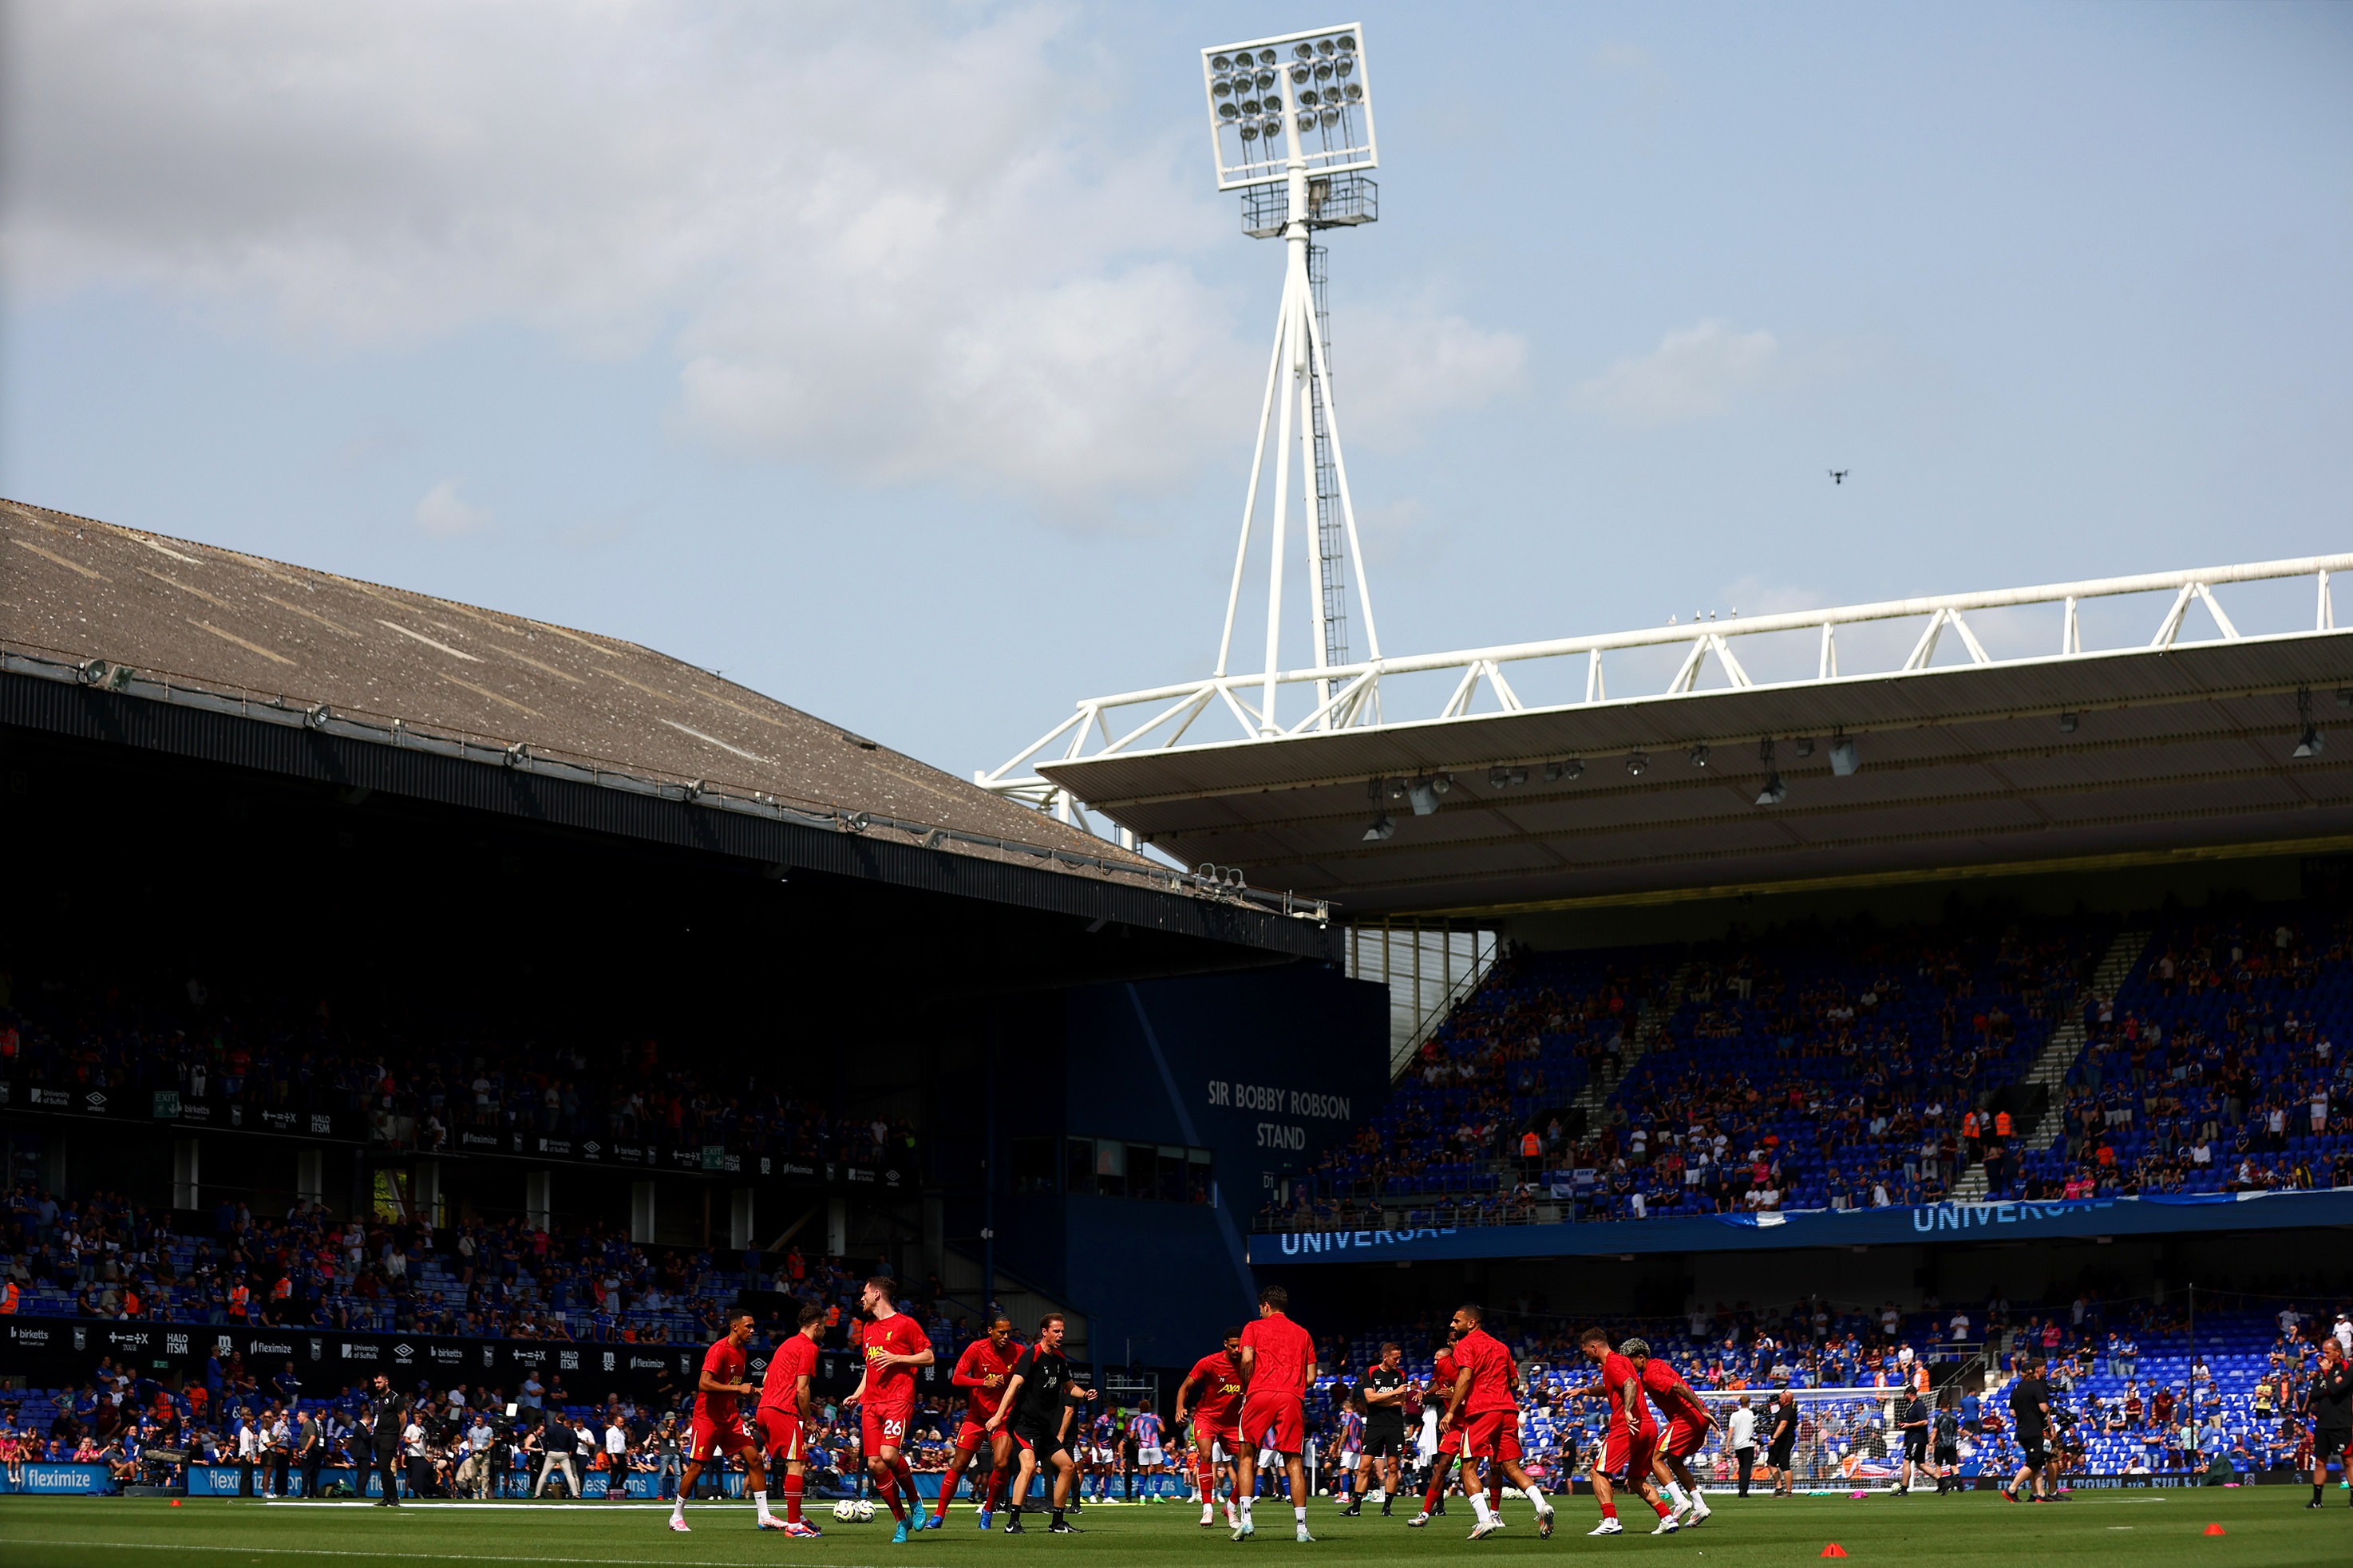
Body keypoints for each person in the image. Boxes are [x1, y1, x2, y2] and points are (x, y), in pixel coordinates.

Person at [1445, 1303, 1556, 1540]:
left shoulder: (1465, 1345)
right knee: (1512, 1468)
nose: (1452, 1324)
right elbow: (1515, 1383)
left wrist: (1451, 1411)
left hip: (1482, 1411)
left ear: (1471, 1323)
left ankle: (1484, 1520)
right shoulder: (1501, 1347)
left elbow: (1465, 1377)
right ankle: (1542, 1506)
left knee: (1468, 1466)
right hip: (1507, 1410)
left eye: (1457, 1321)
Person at [841, 1274, 935, 1544]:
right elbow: (870, 1369)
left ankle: (915, 1500)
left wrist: (898, 1358)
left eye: (865, 1293)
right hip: (871, 1403)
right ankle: (900, 1521)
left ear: (877, 1295)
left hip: (898, 1398)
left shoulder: (906, 1325)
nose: (862, 1298)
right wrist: (857, 1395)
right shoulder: (868, 1328)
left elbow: (929, 1357)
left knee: (889, 1454)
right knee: (875, 1463)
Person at [670, 1309, 779, 1532]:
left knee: (755, 1459)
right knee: (697, 1467)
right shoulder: (718, 1350)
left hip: (730, 1418)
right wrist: (738, 1387)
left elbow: (730, 1387)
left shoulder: (742, 1353)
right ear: (735, 1327)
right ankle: (676, 1516)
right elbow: (704, 1384)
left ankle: (764, 1516)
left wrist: (748, 1391)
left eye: (753, 1326)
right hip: (707, 1417)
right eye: (748, 1326)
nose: (752, 1330)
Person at [987, 1310, 1086, 1534]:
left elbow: (1071, 1389)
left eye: (1063, 1331)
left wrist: (1085, 1394)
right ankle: (1013, 1522)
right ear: (1045, 1332)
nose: (1061, 1335)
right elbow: (1013, 1387)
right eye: (1056, 1331)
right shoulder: (1031, 1356)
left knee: (1068, 1466)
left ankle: (1057, 1522)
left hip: (1043, 1428)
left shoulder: (1060, 1360)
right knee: (1029, 1466)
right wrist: (998, 1416)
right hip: (1023, 1423)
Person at [1232, 1284, 1318, 1543]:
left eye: (1261, 1308)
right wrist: (1290, 1387)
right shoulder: (1303, 1334)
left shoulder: (1253, 1327)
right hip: (1291, 1397)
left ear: (1266, 1306)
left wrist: (1249, 1388)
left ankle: (1246, 1520)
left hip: (1259, 1394)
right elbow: (1312, 1377)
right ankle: (1301, 1529)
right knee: (1293, 1462)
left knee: (1247, 1456)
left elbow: (1246, 1359)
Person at [1576, 1328, 1675, 1536]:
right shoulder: (1622, 1362)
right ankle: (1667, 1518)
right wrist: (1583, 1391)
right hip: (1648, 1426)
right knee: (1636, 1480)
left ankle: (1610, 1520)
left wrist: (1628, 1410)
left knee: (1597, 1472)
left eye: (1586, 1351)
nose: (1586, 1356)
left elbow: (1629, 1384)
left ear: (1595, 1347)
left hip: (1627, 1425)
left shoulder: (1612, 1363)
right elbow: (1612, 1387)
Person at [931, 1313, 1022, 1530]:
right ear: (990, 1331)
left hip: (1003, 1417)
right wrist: (984, 1382)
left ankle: (988, 1512)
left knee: (1000, 1464)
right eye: (1001, 1332)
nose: (1006, 1336)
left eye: (1009, 1332)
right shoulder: (976, 1349)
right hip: (976, 1417)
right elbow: (957, 1377)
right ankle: (939, 1514)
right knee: (959, 1465)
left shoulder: (1018, 1351)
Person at [757, 1302, 827, 1537]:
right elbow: (802, 1390)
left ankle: (799, 1518)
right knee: (796, 1465)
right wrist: (808, 1420)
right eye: (824, 1327)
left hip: (765, 1410)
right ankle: (794, 1526)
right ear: (816, 1326)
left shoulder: (786, 1344)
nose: (824, 1332)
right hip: (783, 1411)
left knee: (796, 1464)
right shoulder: (808, 1348)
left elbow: (767, 1379)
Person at [1628, 1339, 1714, 1526]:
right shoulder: (1657, 1364)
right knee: (1674, 1461)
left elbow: (1678, 1387)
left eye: (1630, 1360)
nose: (1629, 1365)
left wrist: (1701, 1409)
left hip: (1687, 1418)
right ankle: (1700, 1506)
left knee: (1652, 1458)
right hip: (1697, 1419)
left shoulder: (1650, 1374)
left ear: (1641, 1358)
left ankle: (1679, 1501)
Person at [1175, 1326, 1245, 1530]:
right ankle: (1207, 1508)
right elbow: (1184, 1387)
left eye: (1240, 1346)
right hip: (1207, 1418)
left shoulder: (1248, 1364)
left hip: (1233, 1423)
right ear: (1225, 1344)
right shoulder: (1209, 1363)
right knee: (1205, 1455)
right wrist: (1180, 1407)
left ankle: (1231, 1507)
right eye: (1233, 1346)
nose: (1237, 1350)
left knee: (1247, 1466)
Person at [1409, 1325, 1473, 1527]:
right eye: (1454, 1341)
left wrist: (1453, 1397)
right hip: (1451, 1425)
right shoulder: (1444, 1365)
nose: (1457, 1344)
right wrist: (1427, 1393)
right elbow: (1438, 1384)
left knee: (1486, 1468)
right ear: (1449, 1343)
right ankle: (1426, 1513)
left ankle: (1492, 1513)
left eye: (1460, 1341)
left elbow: (1476, 1396)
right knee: (1441, 1466)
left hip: (1473, 1423)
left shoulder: (1472, 1364)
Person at [1343, 1342, 1406, 1517]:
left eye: (1399, 1357)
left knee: (1393, 1467)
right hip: (1374, 1425)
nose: (1398, 1361)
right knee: (1364, 1467)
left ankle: (1387, 1508)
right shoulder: (1370, 1372)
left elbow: (1400, 1402)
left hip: (1394, 1425)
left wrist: (1380, 1398)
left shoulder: (1401, 1374)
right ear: (1385, 1357)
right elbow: (1369, 1399)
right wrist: (1393, 1393)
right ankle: (1355, 1508)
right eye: (1395, 1358)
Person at [2306, 1333, 2351, 1509]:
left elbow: (2336, 1390)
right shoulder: (2320, 1372)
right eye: (2323, 1352)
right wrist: (2327, 1381)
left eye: (2328, 1352)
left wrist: (2327, 1377)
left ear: (2338, 1352)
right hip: (2323, 1422)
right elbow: (2314, 1395)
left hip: (2342, 1421)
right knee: (2319, 1461)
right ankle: (2317, 1500)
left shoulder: (2348, 1369)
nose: (2324, 1356)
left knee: (2348, 1461)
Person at [2004, 1357, 2054, 1503]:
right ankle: (2012, 1489)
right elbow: (2043, 1408)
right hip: (2034, 1429)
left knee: (2037, 1463)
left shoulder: (2016, 1389)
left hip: (2021, 1430)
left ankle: (2040, 1494)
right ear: (2033, 1373)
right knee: (2034, 1462)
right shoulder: (2035, 1386)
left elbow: (2012, 1413)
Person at [367, 1373, 408, 1507]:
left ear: (386, 1382)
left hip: (390, 1436)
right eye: (375, 1383)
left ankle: (394, 1497)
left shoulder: (395, 1398)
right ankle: (387, 1497)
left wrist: (398, 1432)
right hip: (378, 1435)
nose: (377, 1385)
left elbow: (403, 1418)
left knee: (385, 1466)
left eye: (379, 1382)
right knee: (382, 1467)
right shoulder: (376, 1399)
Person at [533, 1411, 583, 1498]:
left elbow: (544, 1442)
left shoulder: (550, 1429)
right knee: (569, 1475)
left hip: (552, 1453)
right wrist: (570, 1452)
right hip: (563, 1454)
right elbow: (573, 1444)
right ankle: (576, 1494)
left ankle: (537, 1494)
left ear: (556, 1418)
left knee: (544, 1474)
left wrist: (546, 1451)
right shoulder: (567, 1430)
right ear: (564, 1420)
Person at [1895, 1386, 1933, 1495]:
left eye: (1905, 1394)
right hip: (1913, 1438)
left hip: (1917, 1438)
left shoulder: (1919, 1405)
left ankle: (1904, 1489)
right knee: (1920, 1464)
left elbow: (1925, 1421)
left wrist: (1909, 1425)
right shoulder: (1912, 1406)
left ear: (1909, 1394)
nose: (1904, 1397)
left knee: (1906, 1461)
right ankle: (1942, 1481)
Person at [1763, 1389, 1798, 1498]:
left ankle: (1788, 1492)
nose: (1779, 1400)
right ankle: (1779, 1488)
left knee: (1784, 1464)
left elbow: (1783, 1425)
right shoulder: (1784, 1410)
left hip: (1784, 1440)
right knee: (1771, 1462)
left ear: (1786, 1400)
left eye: (1781, 1398)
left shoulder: (1787, 1411)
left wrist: (1774, 1438)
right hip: (1781, 1440)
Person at [1130, 1402, 1168, 1503]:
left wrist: (1136, 1444)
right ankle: (1156, 1495)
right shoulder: (1155, 1417)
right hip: (1154, 1446)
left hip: (1142, 1447)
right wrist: (1157, 1437)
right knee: (1159, 1471)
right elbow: (1163, 1429)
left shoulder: (1135, 1420)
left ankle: (1142, 1497)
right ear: (1149, 1408)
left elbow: (1131, 1436)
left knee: (1142, 1473)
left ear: (1139, 1409)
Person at [1726, 1396, 1758, 1497]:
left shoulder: (1734, 1415)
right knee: (1747, 1468)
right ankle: (1744, 1490)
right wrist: (1759, 1440)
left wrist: (1727, 1445)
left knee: (1742, 1467)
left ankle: (1740, 1489)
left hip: (1738, 1444)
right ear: (1749, 1403)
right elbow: (1757, 1429)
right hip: (1748, 1443)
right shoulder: (1753, 1415)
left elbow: (1731, 1431)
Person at [295, 1406, 325, 1499]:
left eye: (299, 1416)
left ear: (304, 1417)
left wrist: (305, 1450)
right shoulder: (308, 1425)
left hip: (310, 1453)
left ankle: (304, 1493)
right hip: (312, 1452)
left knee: (306, 1473)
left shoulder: (309, 1425)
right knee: (312, 1474)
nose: (297, 1418)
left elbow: (312, 1437)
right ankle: (312, 1493)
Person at [601, 1412, 631, 1501]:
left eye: (623, 1422)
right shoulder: (610, 1432)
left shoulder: (622, 1432)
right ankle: (612, 1489)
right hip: (614, 1454)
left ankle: (618, 1486)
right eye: (621, 1422)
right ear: (616, 1422)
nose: (622, 1424)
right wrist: (613, 1456)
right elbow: (609, 1445)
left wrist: (627, 1455)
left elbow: (622, 1445)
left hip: (622, 1454)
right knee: (615, 1473)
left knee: (625, 1473)